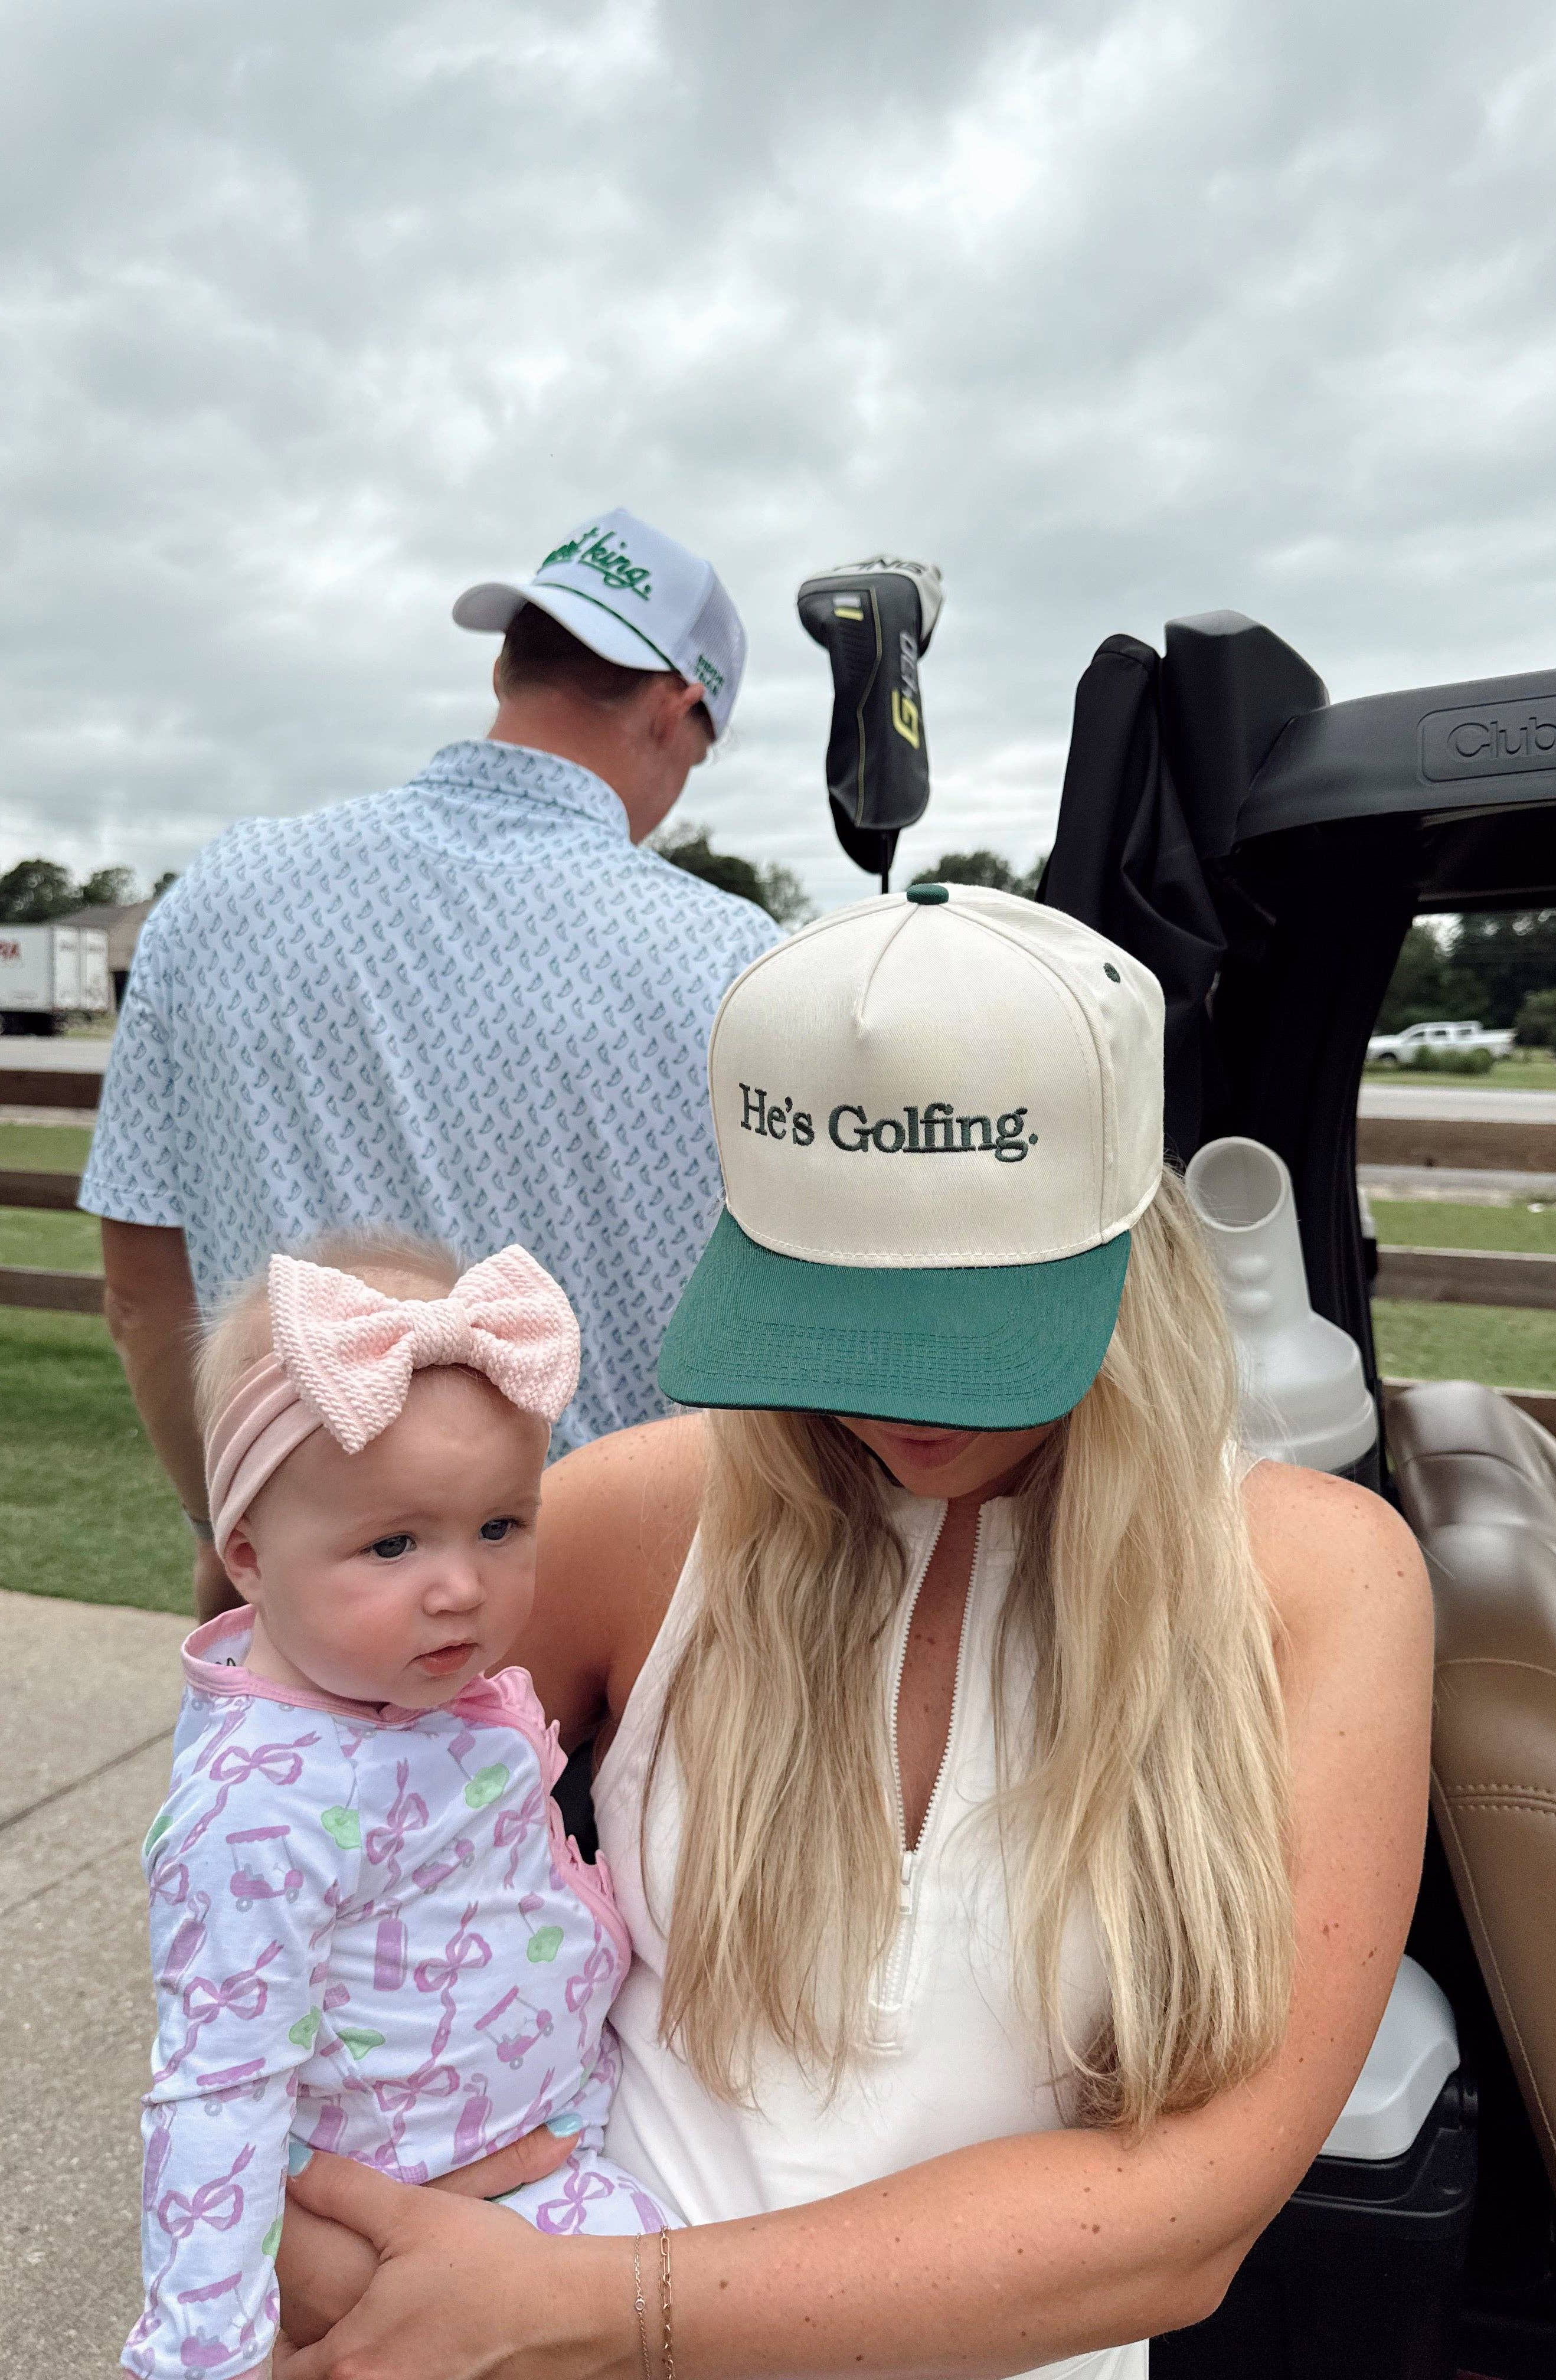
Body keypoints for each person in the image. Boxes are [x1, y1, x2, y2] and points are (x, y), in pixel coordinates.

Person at [273, 886, 1433, 2380]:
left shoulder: (1318, 1581)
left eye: (968, 1323)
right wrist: (323, 2241)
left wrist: (592, 2313)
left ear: (1132, 1245)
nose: (895, 1404)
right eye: (829, 1313)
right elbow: (281, 1853)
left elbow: (1189, 2212)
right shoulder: (636, 1520)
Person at [80, 507, 782, 1619]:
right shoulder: (741, 967)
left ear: (508, 664)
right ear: (678, 706)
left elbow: (139, 1290)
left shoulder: (219, 898)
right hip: (631, 1633)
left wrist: (232, 1525)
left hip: (309, 1635)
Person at [128, 1232, 677, 2380]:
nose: (461, 1585)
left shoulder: (409, 1694)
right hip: (407, 2229)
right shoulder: (258, 1812)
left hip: (560, 2156)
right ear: (248, 1555)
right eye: (392, 1542)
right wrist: (203, 2358)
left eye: (500, 1526)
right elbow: (216, 2101)